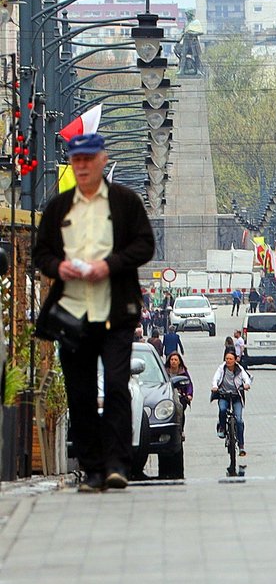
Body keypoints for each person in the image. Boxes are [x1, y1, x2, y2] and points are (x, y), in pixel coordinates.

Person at [33, 132, 155, 492]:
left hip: (116, 311)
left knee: (116, 386)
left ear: (102, 160)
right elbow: (41, 253)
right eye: (77, 160)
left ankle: (117, 465)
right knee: (81, 392)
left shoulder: (124, 202)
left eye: (89, 159)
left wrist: (110, 265)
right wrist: (58, 267)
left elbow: (145, 245)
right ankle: (93, 469)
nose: (83, 166)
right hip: (73, 315)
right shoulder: (60, 208)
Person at [211, 352, 252, 456]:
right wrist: (215, 386)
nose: (228, 361)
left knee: (239, 420)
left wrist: (247, 384)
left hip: (236, 397)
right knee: (222, 410)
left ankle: (241, 446)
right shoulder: (221, 368)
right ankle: (222, 427)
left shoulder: (239, 369)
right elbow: (216, 378)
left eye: (230, 359)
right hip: (224, 395)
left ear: (235, 360)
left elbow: (246, 378)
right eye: (227, 359)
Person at [165, 352, 193, 437]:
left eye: (175, 360)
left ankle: (181, 430)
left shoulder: (183, 371)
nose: (173, 361)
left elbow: (189, 384)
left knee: (180, 410)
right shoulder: (164, 371)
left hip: (180, 395)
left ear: (179, 361)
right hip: (167, 395)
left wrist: (189, 394)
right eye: (172, 359)